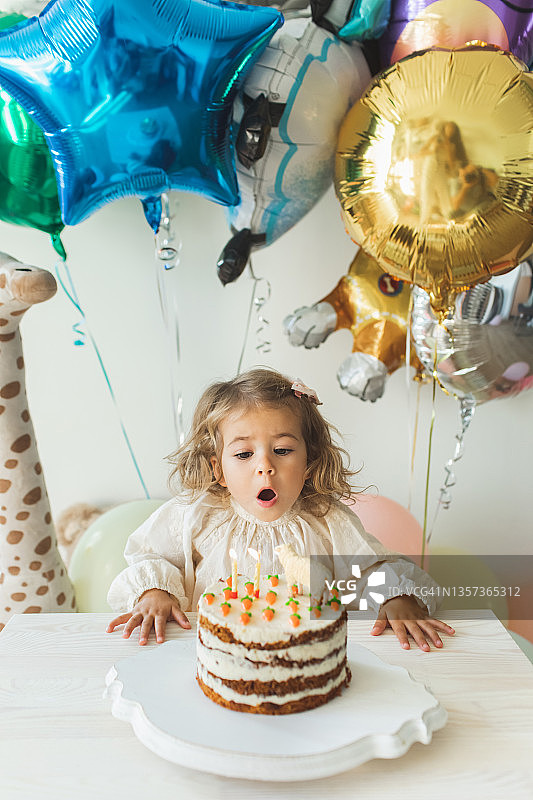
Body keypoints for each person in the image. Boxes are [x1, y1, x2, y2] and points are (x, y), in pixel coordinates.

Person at [107, 368, 454, 650]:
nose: (265, 466)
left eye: (283, 450)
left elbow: (370, 570)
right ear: (218, 470)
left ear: (309, 461)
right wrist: (156, 591)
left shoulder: (325, 519)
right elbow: (152, 556)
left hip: (308, 657)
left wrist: (395, 598)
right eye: (244, 454)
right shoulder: (198, 514)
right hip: (210, 656)